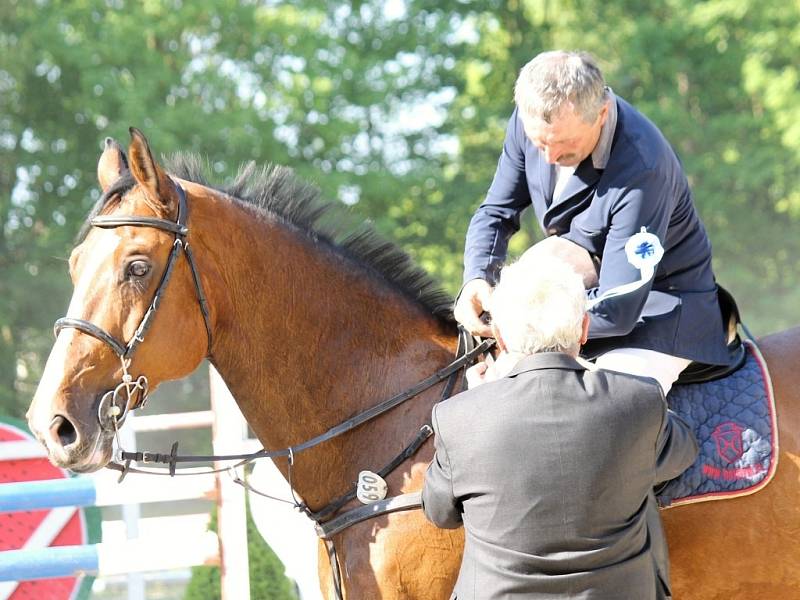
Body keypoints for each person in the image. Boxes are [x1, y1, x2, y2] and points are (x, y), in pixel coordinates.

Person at [454, 50, 729, 395]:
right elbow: (496, 211)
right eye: (539, 143)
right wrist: (476, 277)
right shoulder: (535, 122)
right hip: (579, 298)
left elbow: (619, 304)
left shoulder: (643, 168)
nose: (549, 158)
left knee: (611, 407)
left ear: (601, 113)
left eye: (564, 147)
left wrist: (522, 314)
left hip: (658, 308)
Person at [422, 259, 699, 599]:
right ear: (584, 328)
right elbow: (682, 451)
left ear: (501, 338)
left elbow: (440, 512)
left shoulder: (458, 418)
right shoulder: (639, 401)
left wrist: (480, 403)